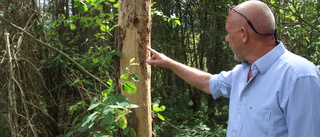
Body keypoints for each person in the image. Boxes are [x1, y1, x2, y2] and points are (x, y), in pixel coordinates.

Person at [147, 1, 320, 137]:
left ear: (244, 34)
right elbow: (207, 83)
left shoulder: (299, 76)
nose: (226, 39)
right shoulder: (242, 72)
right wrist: (168, 62)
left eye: (229, 32)